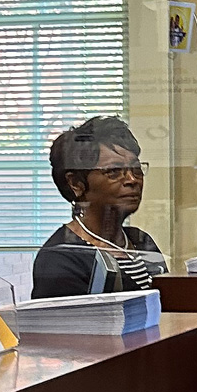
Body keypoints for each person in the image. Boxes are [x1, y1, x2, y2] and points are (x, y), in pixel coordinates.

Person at [32, 116, 168, 298]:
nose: (132, 180)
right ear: (76, 183)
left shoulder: (141, 241)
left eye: (136, 169)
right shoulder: (62, 258)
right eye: (113, 171)